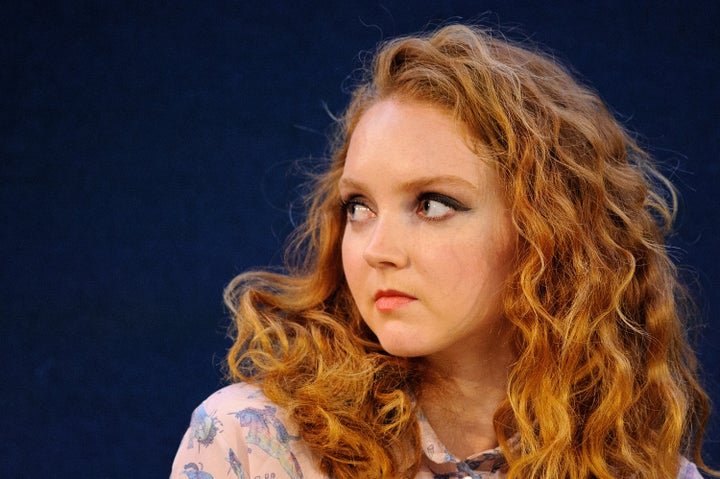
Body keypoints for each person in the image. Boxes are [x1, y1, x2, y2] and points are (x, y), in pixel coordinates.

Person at [170, 24, 715, 479]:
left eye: (432, 204)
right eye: (359, 207)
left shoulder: (646, 468)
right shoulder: (253, 441)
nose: (377, 250)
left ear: (550, 232)